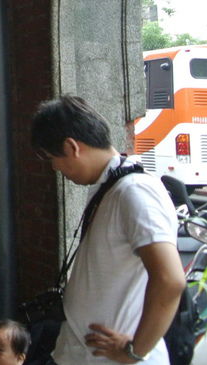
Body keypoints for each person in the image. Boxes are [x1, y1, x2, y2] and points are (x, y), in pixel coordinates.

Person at [31, 95, 185, 364]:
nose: (55, 167)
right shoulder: (111, 186)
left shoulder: (134, 191)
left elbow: (170, 280)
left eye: (52, 158)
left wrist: (135, 351)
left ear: (71, 147)